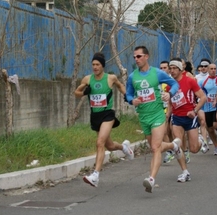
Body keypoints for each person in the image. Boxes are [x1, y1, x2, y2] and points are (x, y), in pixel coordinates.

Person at [74, 52, 134, 188]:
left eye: (97, 65)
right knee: (110, 146)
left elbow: (119, 86)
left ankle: (95, 175)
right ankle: (124, 148)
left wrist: (127, 96)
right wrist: (84, 92)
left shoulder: (110, 78)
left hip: (107, 114)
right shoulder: (87, 79)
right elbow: (76, 93)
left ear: (102, 66)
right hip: (95, 115)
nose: (95, 67)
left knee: (100, 142)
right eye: (93, 64)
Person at [126, 46, 180, 193]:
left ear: (146, 56)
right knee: (155, 147)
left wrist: (170, 94)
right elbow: (128, 94)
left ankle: (151, 178)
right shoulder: (132, 77)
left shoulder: (157, 73)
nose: (136, 59)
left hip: (157, 114)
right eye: (135, 57)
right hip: (144, 117)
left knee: (155, 148)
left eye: (139, 56)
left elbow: (175, 84)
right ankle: (173, 146)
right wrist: (132, 101)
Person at [167, 58, 208, 182]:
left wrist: (194, 111)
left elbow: (203, 98)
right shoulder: (169, 84)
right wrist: (167, 115)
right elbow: (170, 102)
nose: (172, 71)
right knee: (177, 145)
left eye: (175, 68)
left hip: (190, 118)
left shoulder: (190, 81)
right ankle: (185, 171)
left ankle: (201, 139)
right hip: (177, 118)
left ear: (181, 70)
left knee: (194, 149)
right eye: (171, 68)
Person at [198, 63, 217, 155]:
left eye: (215, 68)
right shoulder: (202, 82)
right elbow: (198, 94)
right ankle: (216, 146)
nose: (213, 70)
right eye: (211, 69)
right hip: (207, 107)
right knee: (210, 129)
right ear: (207, 69)